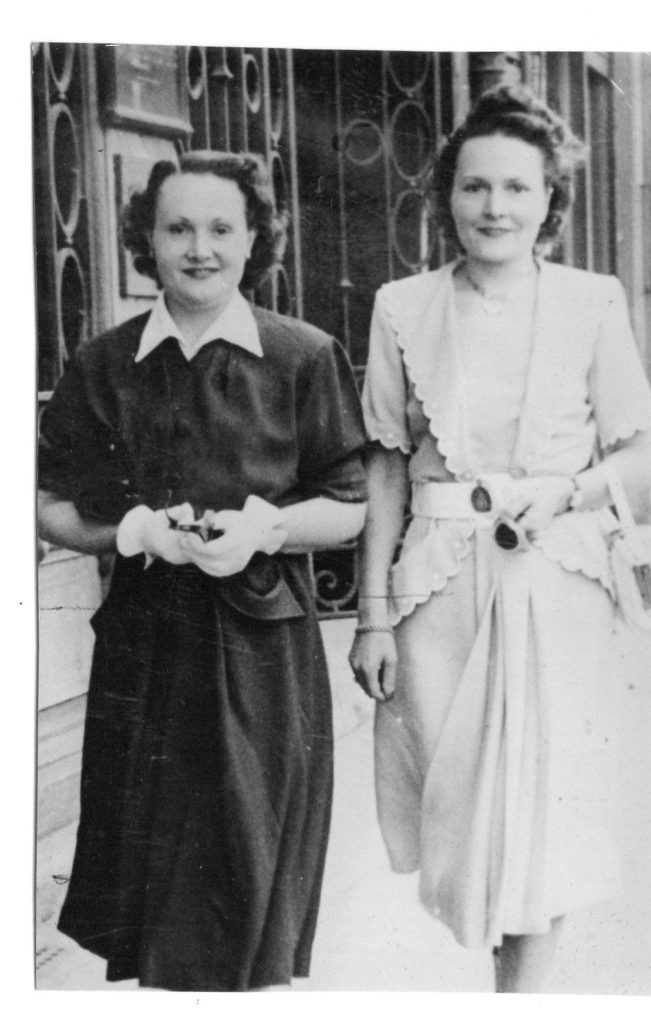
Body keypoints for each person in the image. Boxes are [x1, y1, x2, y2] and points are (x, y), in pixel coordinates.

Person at [349, 84, 651, 993]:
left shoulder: (591, 301)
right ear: (447, 196)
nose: (496, 208)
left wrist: (568, 490)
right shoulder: (402, 306)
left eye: (518, 189)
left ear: (549, 201)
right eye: (476, 187)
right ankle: (501, 980)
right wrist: (371, 618)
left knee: (541, 812)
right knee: (461, 813)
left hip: (555, 579)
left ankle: (517, 1003)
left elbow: (641, 455)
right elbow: (386, 465)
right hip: (437, 588)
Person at [38, 150, 368, 991]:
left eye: (222, 228)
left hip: (264, 658)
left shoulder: (303, 355)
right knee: (155, 908)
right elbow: (47, 503)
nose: (199, 248)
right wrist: (137, 530)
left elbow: (350, 504)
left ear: (256, 237)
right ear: (145, 239)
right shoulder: (104, 363)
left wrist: (267, 528)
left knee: (248, 886)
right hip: (145, 654)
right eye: (177, 227)